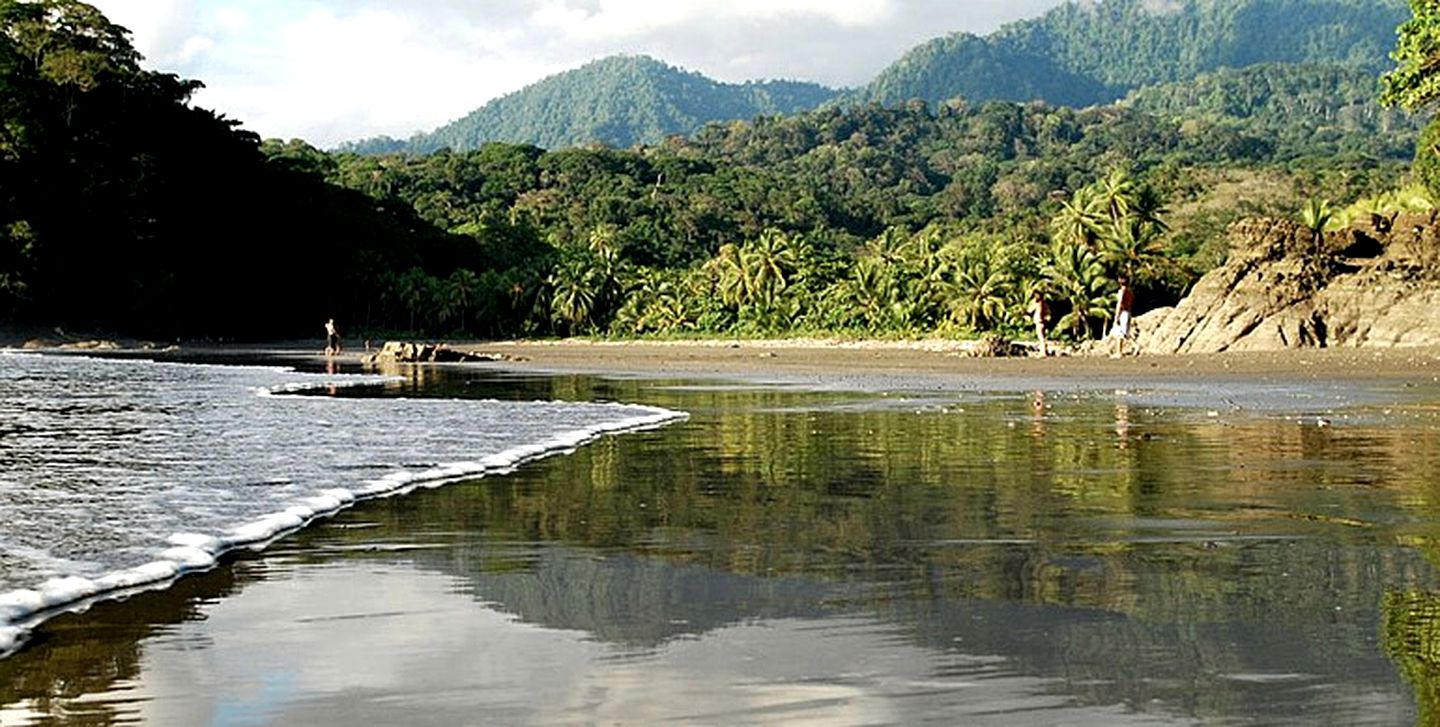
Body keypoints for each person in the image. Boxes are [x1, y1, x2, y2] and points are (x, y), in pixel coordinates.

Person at [1110, 275, 1135, 357]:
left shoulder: (1122, 291)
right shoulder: (1129, 292)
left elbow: (1119, 304)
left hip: (1123, 313)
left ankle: (1118, 352)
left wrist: (1116, 317)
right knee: (1125, 333)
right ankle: (1135, 346)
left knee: (1119, 333)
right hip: (1128, 312)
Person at [1027, 290, 1050, 357]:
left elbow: (1029, 310)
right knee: (1043, 337)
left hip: (1039, 321)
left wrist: (1032, 303)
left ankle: (1043, 352)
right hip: (1042, 321)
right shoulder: (1044, 303)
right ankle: (1044, 351)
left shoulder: (1038, 303)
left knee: (1041, 337)